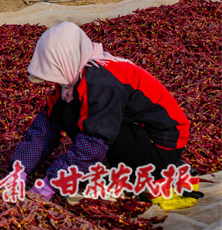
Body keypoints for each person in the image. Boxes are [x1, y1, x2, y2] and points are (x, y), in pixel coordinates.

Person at [11, 22, 201, 208]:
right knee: (68, 111)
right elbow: (47, 126)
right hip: (135, 136)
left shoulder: (101, 81)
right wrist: (20, 169)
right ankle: (114, 172)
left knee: (85, 124)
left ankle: (125, 178)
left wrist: (50, 182)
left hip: (160, 146)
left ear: (65, 58)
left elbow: (95, 141)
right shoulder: (73, 79)